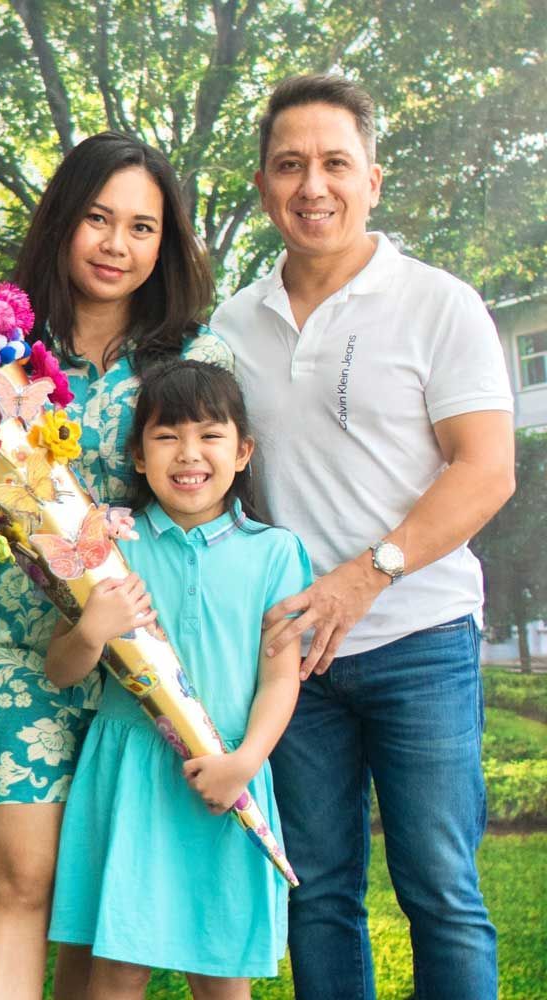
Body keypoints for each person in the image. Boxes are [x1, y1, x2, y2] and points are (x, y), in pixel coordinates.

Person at [211, 74, 515, 1000]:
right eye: (290, 166)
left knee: (442, 894)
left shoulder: (438, 302)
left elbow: (486, 469)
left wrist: (366, 575)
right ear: (263, 186)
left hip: (420, 639)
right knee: (317, 893)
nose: (315, 186)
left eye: (335, 163)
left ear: (372, 179)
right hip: (294, 656)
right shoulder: (230, 326)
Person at [0, 133, 231, 1000]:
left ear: (163, 244)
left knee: (98, 901)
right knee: (21, 880)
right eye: (98, 219)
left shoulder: (185, 359)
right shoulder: (3, 349)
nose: (116, 244)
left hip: (136, 666)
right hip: (14, 652)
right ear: (65, 220)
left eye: (142, 228)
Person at [46, 360, 313, 1000]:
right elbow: (62, 671)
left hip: (225, 772)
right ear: (138, 456)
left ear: (243, 451)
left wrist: (245, 761)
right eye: (167, 436)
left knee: (222, 970)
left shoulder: (276, 552)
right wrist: (92, 629)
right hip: (131, 774)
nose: (188, 454)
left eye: (210, 435)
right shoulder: (110, 545)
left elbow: (282, 678)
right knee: (116, 967)